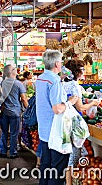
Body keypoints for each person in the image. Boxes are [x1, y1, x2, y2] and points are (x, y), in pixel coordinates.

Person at [35, 50, 78, 185]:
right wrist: (71, 102)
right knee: (57, 171)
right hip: (56, 133)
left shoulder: (41, 78)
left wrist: (61, 77)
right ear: (57, 63)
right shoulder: (54, 81)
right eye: (60, 62)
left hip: (44, 131)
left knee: (46, 167)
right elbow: (58, 109)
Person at [63, 59, 100, 185]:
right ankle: (69, 183)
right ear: (76, 71)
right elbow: (80, 108)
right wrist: (94, 103)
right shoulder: (75, 86)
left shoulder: (62, 83)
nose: (84, 71)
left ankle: (66, 181)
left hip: (64, 120)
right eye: (82, 69)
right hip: (74, 123)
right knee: (73, 154)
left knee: (67, 152)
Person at [0, 64, 28, 159]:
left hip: (4, 112)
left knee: (4, 132)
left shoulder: (3, 83)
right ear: (12, 72)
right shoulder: (18, 84)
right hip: (15, 111)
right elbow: (23, 98)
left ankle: (3, 151)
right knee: (14, 133)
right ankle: (13, 152)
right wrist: (28, 109)